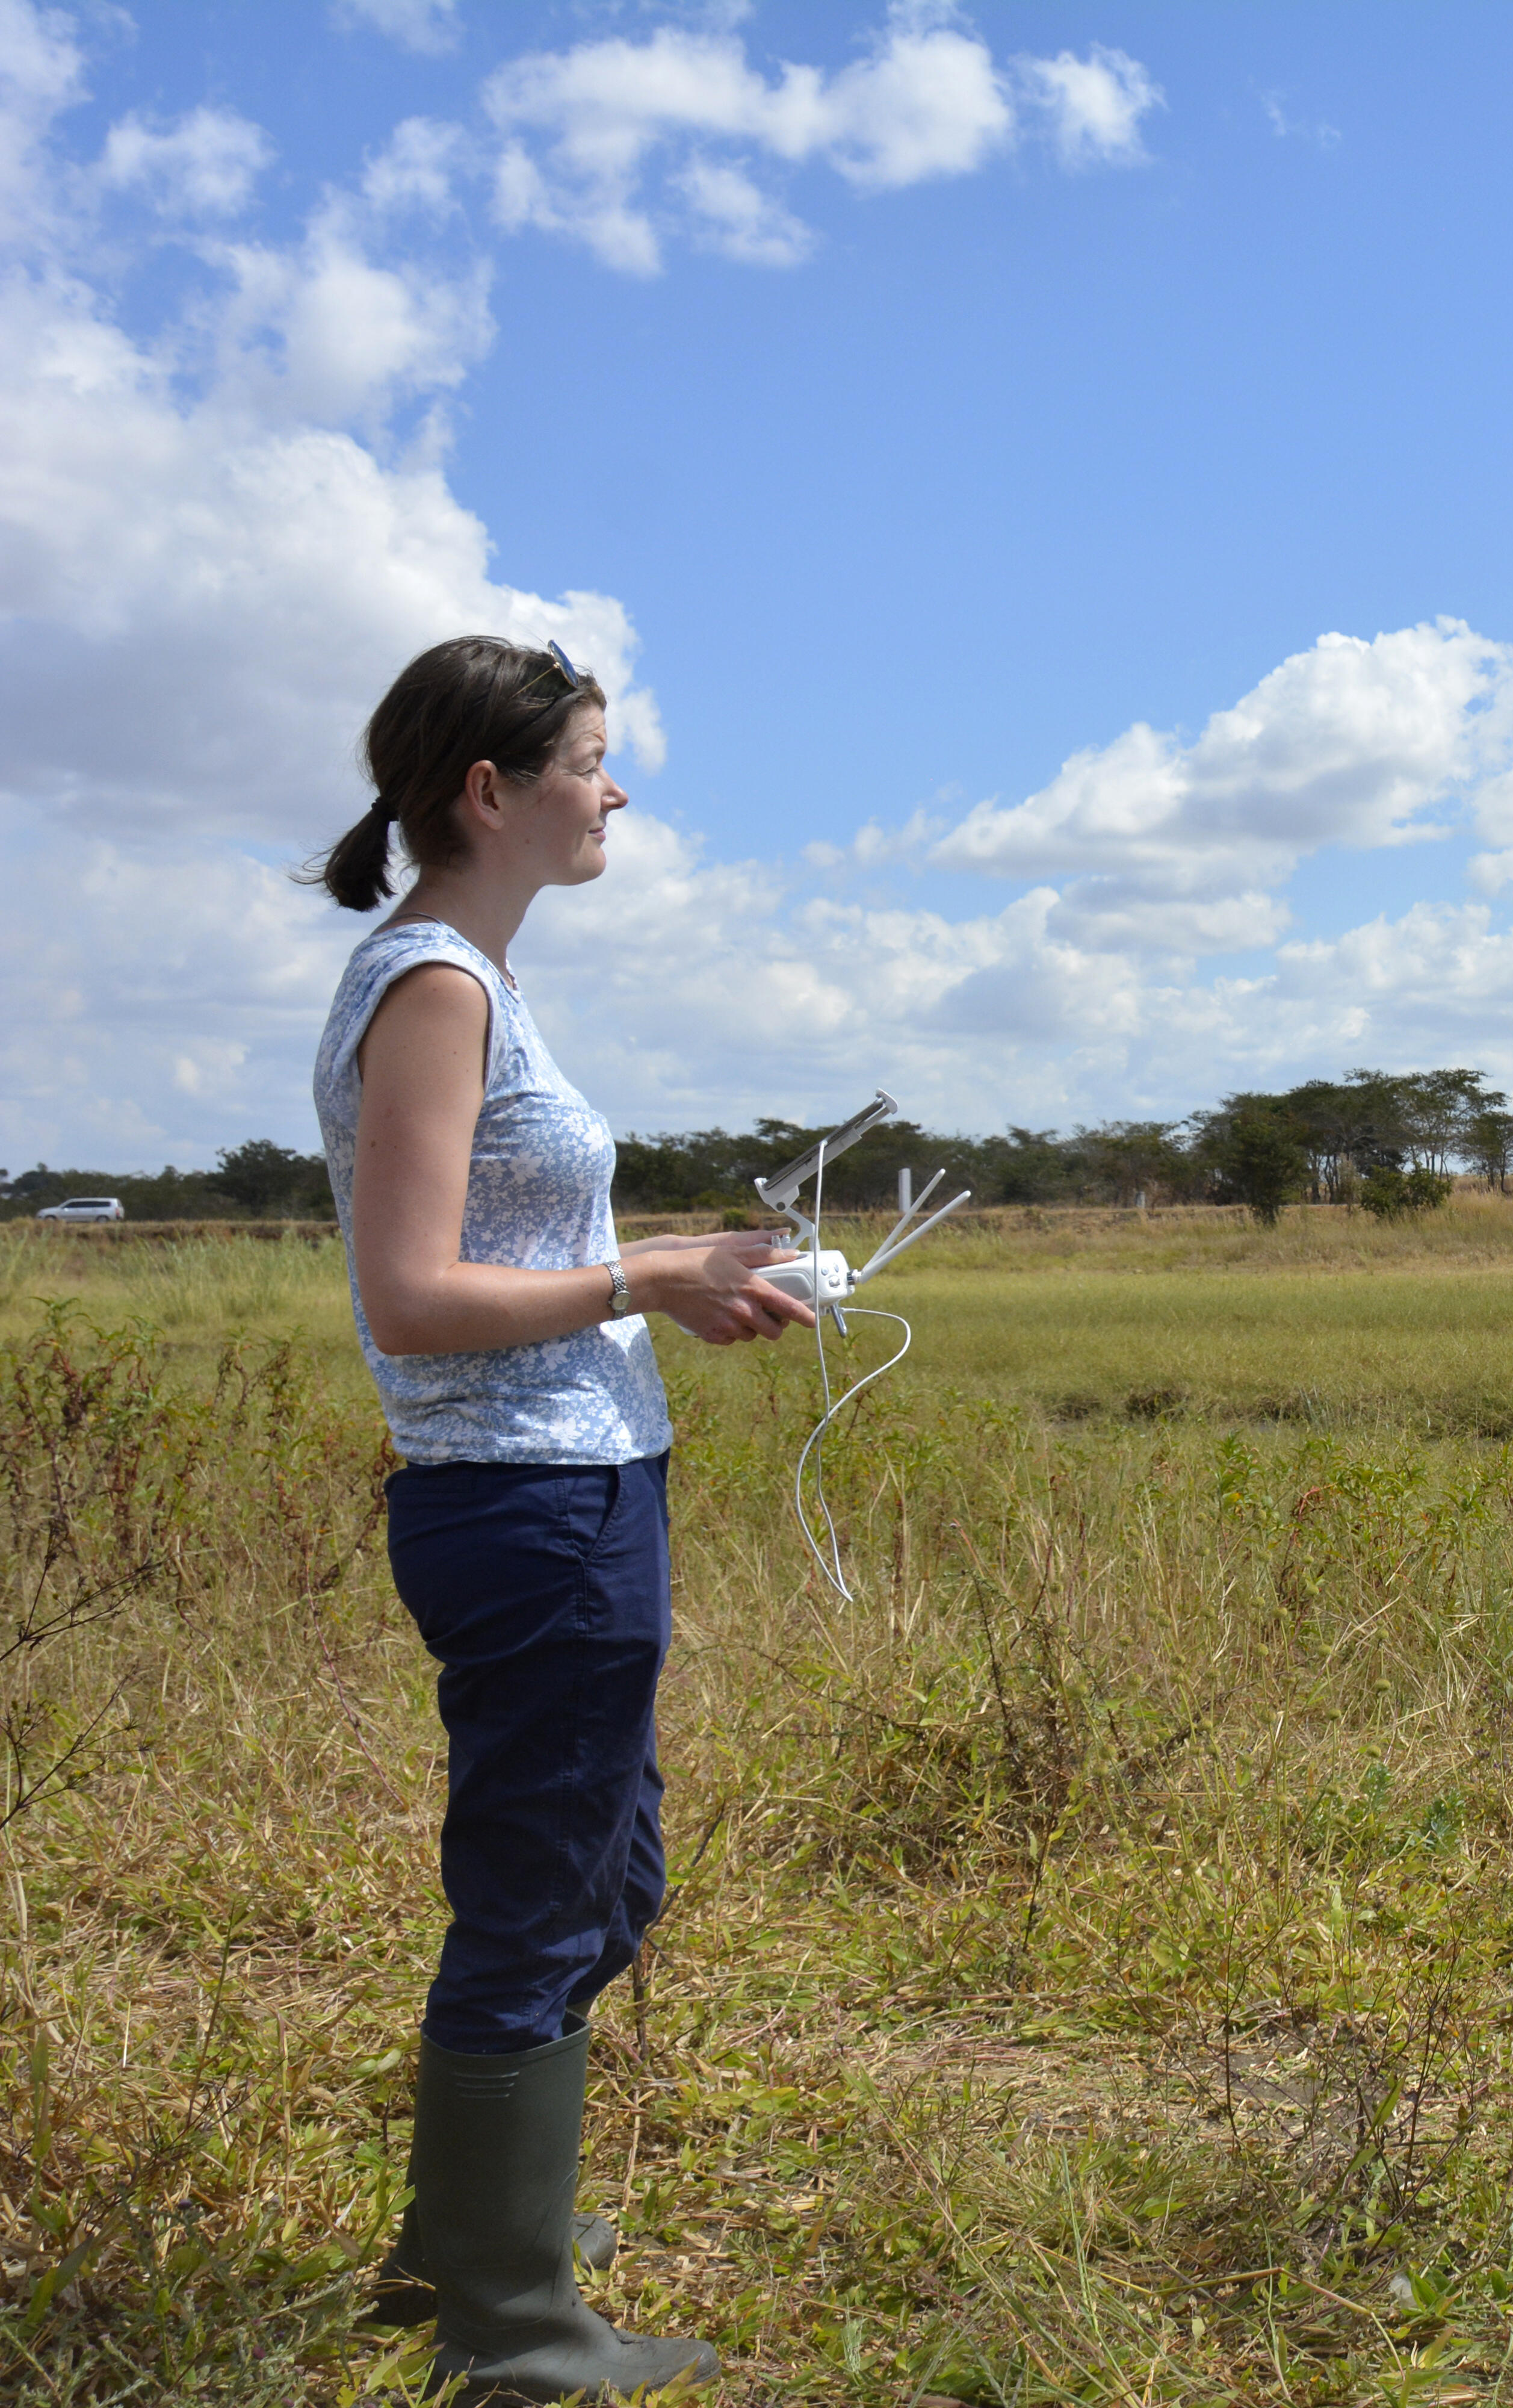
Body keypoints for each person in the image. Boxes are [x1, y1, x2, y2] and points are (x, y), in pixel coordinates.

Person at [306, 635, 813, 2402]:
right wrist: (650, 1277)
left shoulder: (471, 981)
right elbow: (412, 1296)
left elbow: (503, 1260)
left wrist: (677, 1277)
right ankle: (510, 2332)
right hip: (523, 1502)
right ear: (489, 791)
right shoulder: (438, 986)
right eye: (593, 760)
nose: (616, 791)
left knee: (604, 1871)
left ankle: (478, 2224)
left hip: (575, 1489)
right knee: (537, 1892)